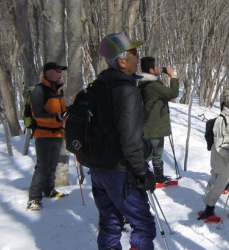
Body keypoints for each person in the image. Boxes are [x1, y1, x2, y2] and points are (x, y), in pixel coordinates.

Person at [89, 31, 157, 250]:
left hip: (99, 169)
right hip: (121, 171)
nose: (138, 57)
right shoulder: (126, 91)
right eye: (134, 53)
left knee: (110, 224)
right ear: (121, 61)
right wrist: (142, 172)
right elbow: (130, 140)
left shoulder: (99, 85)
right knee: (144, 227)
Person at [197, 86, 229, 222]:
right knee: (217, 185)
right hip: (222, 161)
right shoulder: (222, 120)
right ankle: (209, 210)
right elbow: (220, 146)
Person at [26, 62, 68, 211]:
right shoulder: (39, 91)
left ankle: (49, 190)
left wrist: (65, 116)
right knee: (42, 166)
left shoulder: (58, 90)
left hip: (58, 133)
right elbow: (37, 115)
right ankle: (34, 198)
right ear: (48, 72)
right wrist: (56, 117)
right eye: (57, 71)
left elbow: (61, 111)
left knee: (52, 165)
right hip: (43, 134)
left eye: (61, 71)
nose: (60, 74)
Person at [138, 57, 180, 184]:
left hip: (156, 124)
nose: (158, 68)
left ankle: (158, 177)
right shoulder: (152, 85)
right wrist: (173, 76)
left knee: (157, 153)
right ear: (151, 70)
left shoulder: (148, 82)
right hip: (153, 126)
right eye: (156, 67)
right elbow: (174, 93)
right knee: (149, 154)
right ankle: (140, 177)